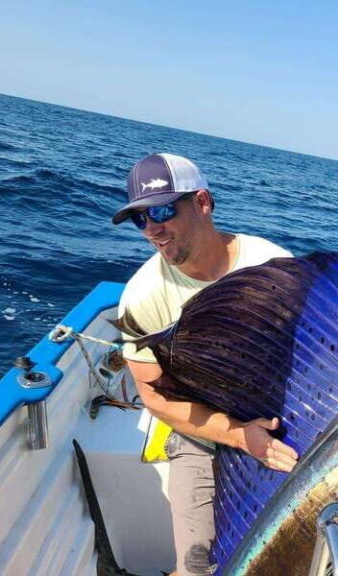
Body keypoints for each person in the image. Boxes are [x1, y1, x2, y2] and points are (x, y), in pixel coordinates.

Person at [112, 153, 299, 576]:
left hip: (285, 422)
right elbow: (156, 400)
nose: (152, 229)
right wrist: (236, 435)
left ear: (202, 202)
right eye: (140, 219)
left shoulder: (273, 265)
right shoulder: (142, 297)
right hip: (204, 431)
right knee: (198, 563)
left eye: (161, 210)